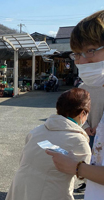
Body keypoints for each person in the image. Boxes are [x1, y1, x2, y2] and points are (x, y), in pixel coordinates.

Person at [47, 10, 104, 199]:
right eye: (77, 54)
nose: (81, 61)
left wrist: (78, 168)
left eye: (90, 50)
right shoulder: (87, 85)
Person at [5, 88, 91, 200]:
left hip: (20, 190)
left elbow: (23, 160)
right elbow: (89, 177)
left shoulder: (36, 131)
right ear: (83, 113)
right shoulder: (78, 140)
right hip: (52, 193)